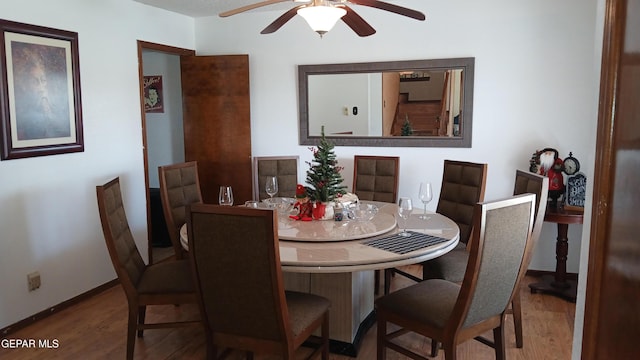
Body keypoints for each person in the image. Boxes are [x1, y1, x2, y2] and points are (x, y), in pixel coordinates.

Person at [12, 45, 71, 140]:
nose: (41, 87)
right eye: (35, 82)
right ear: (25, 86)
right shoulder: (20, 117)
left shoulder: (59, 108)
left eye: (43, 80)